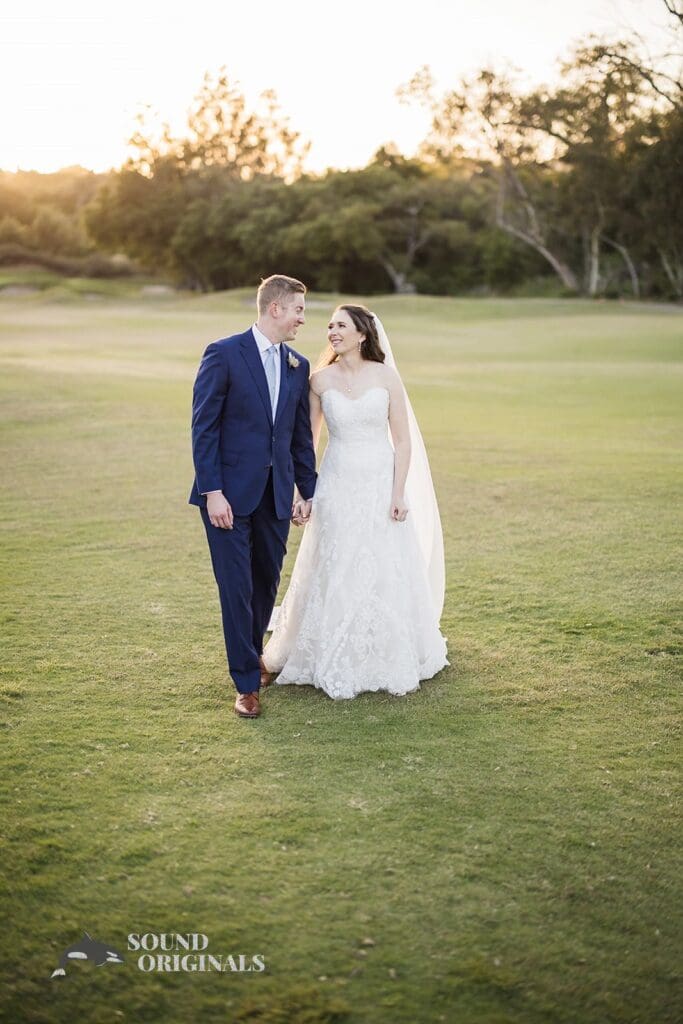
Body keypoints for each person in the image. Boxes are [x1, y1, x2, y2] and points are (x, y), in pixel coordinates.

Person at [262, 304, 448, 699]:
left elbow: (401, 441)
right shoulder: (319, 380)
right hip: (337, 481)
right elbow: (308, 443)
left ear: (362, 334)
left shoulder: (386, 377)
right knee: (337, 559)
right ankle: (330, 646)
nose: (331, 331)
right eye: (329, 325)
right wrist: (304, 491)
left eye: (340, 325)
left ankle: (384, 647)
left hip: (379, 480)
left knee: (382, 561)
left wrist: (398, 493)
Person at [189, 275, 317, 719]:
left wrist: (308, 491)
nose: (304, 318)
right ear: (276, 308)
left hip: (277, 498)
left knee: (264, 583)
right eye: (299, 309)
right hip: (226, 498)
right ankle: (245, 682)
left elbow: (300, 439)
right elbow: (203, 428)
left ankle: (254, 653)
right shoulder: (223, 354)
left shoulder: (298, 366)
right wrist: (213, 492)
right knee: (236, 589)